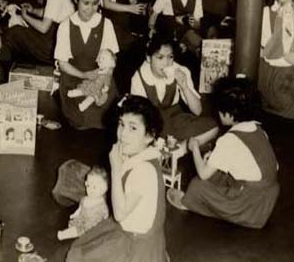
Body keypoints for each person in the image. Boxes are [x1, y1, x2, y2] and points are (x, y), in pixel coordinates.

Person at [167, 76, 280, 230]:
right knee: (217, 173)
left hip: (250, 205)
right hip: (267, 199)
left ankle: (188, 203)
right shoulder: (257, 128)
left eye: (220, 110)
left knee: (197, 186)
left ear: (228, 113)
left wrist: (194, 149)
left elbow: (203, 174)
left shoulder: (228, 140)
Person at [66, 95, 166, 262]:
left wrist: (116, 168)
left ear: (149, 136)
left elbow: (119, 214)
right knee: (79, 249)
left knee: (77, 256)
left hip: (137, 246)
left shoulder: (144, 170)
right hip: (131, 230)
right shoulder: (140, 154)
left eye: (133, 128)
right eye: (121, 124)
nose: (123, 134)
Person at [56, 0, 119, 130]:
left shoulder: (106, 24)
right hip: (73, 78)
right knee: (80, 118)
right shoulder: (65, 26)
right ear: (76, 0)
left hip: (100, 78)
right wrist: (84, 76)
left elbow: (113, 58)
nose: (90, 9)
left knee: (109, 115)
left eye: (95, 4)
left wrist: (103, 78)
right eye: (86, 3)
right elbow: (62, 63)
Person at [130, 40, 218, 141]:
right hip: (151, 121)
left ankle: (181, 148)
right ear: (148, 58)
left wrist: (184, 87)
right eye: (160, 57)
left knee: (212, 127)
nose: (166, 63)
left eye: (170, 57)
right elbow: (137, 116)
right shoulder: (139, 77)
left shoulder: (181, 70)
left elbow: (197, 111)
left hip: (176, 118)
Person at [149, 0, 204, 71]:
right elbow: (154, 14)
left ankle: (201, 51)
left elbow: (198, 24)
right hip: (168, 30)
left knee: (192, 38)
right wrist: (151, 28)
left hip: (187, 31)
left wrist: (194, 23)